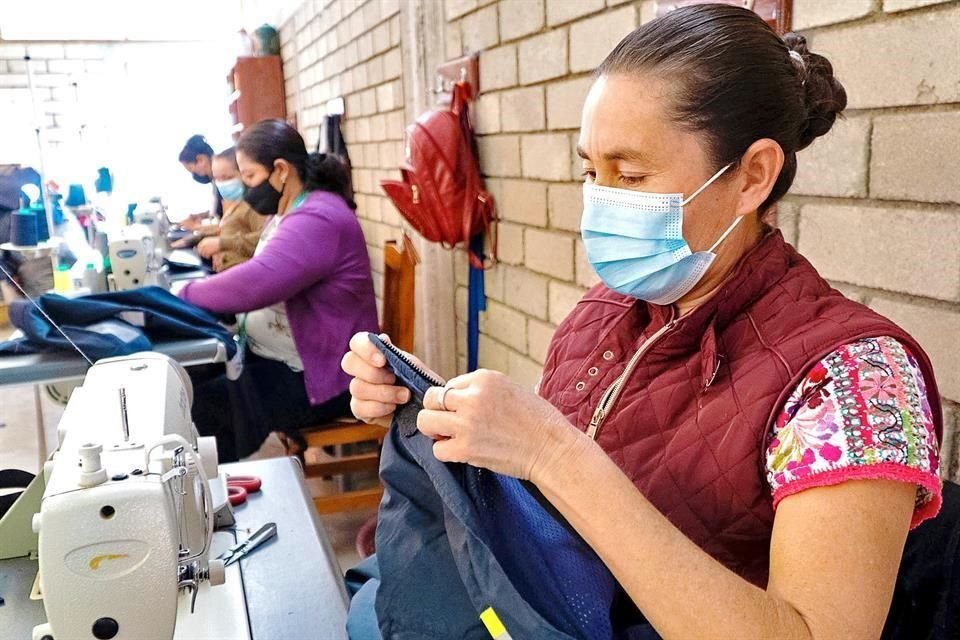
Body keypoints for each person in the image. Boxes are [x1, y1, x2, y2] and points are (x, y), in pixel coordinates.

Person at [342, 5, 943, 638]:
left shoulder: (851, 376)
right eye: (590, 172)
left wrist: (553, 453)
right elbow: (548, 530)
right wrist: (439, 414)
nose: (600, 201)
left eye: (629, 174)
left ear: (752, 176)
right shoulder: (605, 312)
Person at [178, 119, 379, 461]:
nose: (245, 185)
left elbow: (258, 282)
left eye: (250, 176)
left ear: (281, 170)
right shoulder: (289, 212)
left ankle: (209, 501)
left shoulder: (317, 218)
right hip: (289, 362)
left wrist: (180, 296)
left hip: (326, 378)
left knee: (206, 408)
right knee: (193, 378)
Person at [187, 146, 266, 271]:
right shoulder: (237, 203)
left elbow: (265, 239)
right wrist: (194, 239)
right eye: (217, 178)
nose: (222, 184)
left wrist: (221, 244)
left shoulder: (255, 206)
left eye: (227, 177)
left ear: (244, 174)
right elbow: (226, 229)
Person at [178, 134, 222, 225]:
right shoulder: (215, 182)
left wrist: (195, 227)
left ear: (200, 160)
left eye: (190, 169)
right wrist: (201, 216)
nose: (193, 174)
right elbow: (219, 211)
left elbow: (227, 217)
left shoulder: (223, 181)